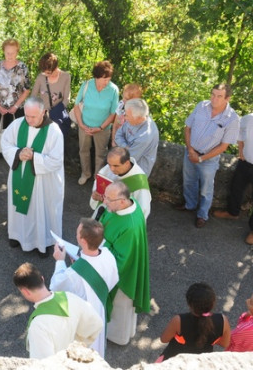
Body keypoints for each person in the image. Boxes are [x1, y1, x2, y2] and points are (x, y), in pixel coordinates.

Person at [2, 97, 63, 258]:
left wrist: (34, 157)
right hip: (19, 176)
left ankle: (42, 243)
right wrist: (18, 153)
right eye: (27, 115)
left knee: (39, 210)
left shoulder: (53, 131)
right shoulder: (17, 124)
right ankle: (17, 235)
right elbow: (5, 143)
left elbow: (56, 161)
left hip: (41, 182)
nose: (28, 120)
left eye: (33, 116)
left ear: (43, 112)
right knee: (19, 209)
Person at [50, 218, 119, 358]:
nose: (76, 235)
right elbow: (113, 279)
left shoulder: (73, 273)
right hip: (99, 308)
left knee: (81, 350)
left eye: (77, 233)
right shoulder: (107, 254)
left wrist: (59, 261)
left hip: (82, 317)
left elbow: (56, 285)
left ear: (83, 241)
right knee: (95, 346)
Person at [212, 101, 253, 245]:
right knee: (236, 188)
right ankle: (232, 212)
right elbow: (239, 131)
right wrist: (240, 149)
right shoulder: (250, 118)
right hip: (245, 162)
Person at [178, 83, 239, 228]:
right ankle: (190, 205)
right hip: (191, 152)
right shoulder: (201, 106)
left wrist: (200, 159)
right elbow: (188, 128)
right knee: (188, 181)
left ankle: (202, 215)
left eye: (219, 96)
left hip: (209, 159)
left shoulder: (232, 118)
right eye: (213, 94)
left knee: (206, 188)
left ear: (227, 98)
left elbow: (224, 146)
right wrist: (190, 149)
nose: (214, 99)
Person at [13, 262, 102, 360]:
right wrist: (80, 346)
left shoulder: (38, 326)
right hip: (73, 359)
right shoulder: (69, 297)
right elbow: (97, 323)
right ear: (42, 279)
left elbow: (43, 364)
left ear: (25, 291)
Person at [99, 181, 150, 345]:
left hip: (125, 272)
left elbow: (121, 257)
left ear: (122, 201)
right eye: (105, 197)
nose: (104, 202)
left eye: (109, 199)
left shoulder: (131, 225)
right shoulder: (123, 206)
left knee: (120, 306)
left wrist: (97, 245)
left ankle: (118, 337)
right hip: (120, 261)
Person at [158, 282, 231, 361]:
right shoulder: (223, 320)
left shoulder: (178, 321)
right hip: (201, 362)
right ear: (213, 303)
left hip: (175, 359)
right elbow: (225, 343)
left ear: (189, 304)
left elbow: (164, 339)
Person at [74, 61, 119, 185]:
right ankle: (85, 173)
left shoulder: (113, 90)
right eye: (104, 79)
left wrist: (100, 127)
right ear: (96, 77)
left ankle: (98, 178)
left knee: (101, 154)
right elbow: (76, 105)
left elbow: (113, 113)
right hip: (85, 125)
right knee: (83, 151)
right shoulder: (87, 85)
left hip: (103, 128)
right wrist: (81, 124)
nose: (106, 82)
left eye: (109, 79)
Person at [0, 38, 31, 151]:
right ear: (3, 51)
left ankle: (15, 157)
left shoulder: (23, 67)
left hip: (17, 108)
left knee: (16, 136)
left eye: (13, 52)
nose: (10, 55)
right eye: (8, 52)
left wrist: (16, 106)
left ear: (17, 52)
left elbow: (27, 89)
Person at [90, 146, 151, 220]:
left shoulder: (139, 183)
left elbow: (142, 211)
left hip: (122, 220)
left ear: (127, 163)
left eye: (116, 166)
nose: (111, 169)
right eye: (109, 164)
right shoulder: (111, 165)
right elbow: (98, 184)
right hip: (103, 213)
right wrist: (95, 195)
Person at [114, 98, 159, 176]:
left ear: (139, 118)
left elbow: (130, 158)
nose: (125, 118)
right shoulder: (132, 119)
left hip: (137, 171)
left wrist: (122, 146)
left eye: (127, 116)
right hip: (125, 162)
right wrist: (126, 146)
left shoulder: (145, 136)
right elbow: (118, 135)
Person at [31, 52, 71, 136]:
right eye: (44, 72)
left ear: (56, 67)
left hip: (58, 117)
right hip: (42, 117)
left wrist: (56, 112)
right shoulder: (40, 77)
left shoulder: (66, 76)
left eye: (48, 73)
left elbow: (66, 99)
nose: (46, 75)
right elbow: (33, 97)